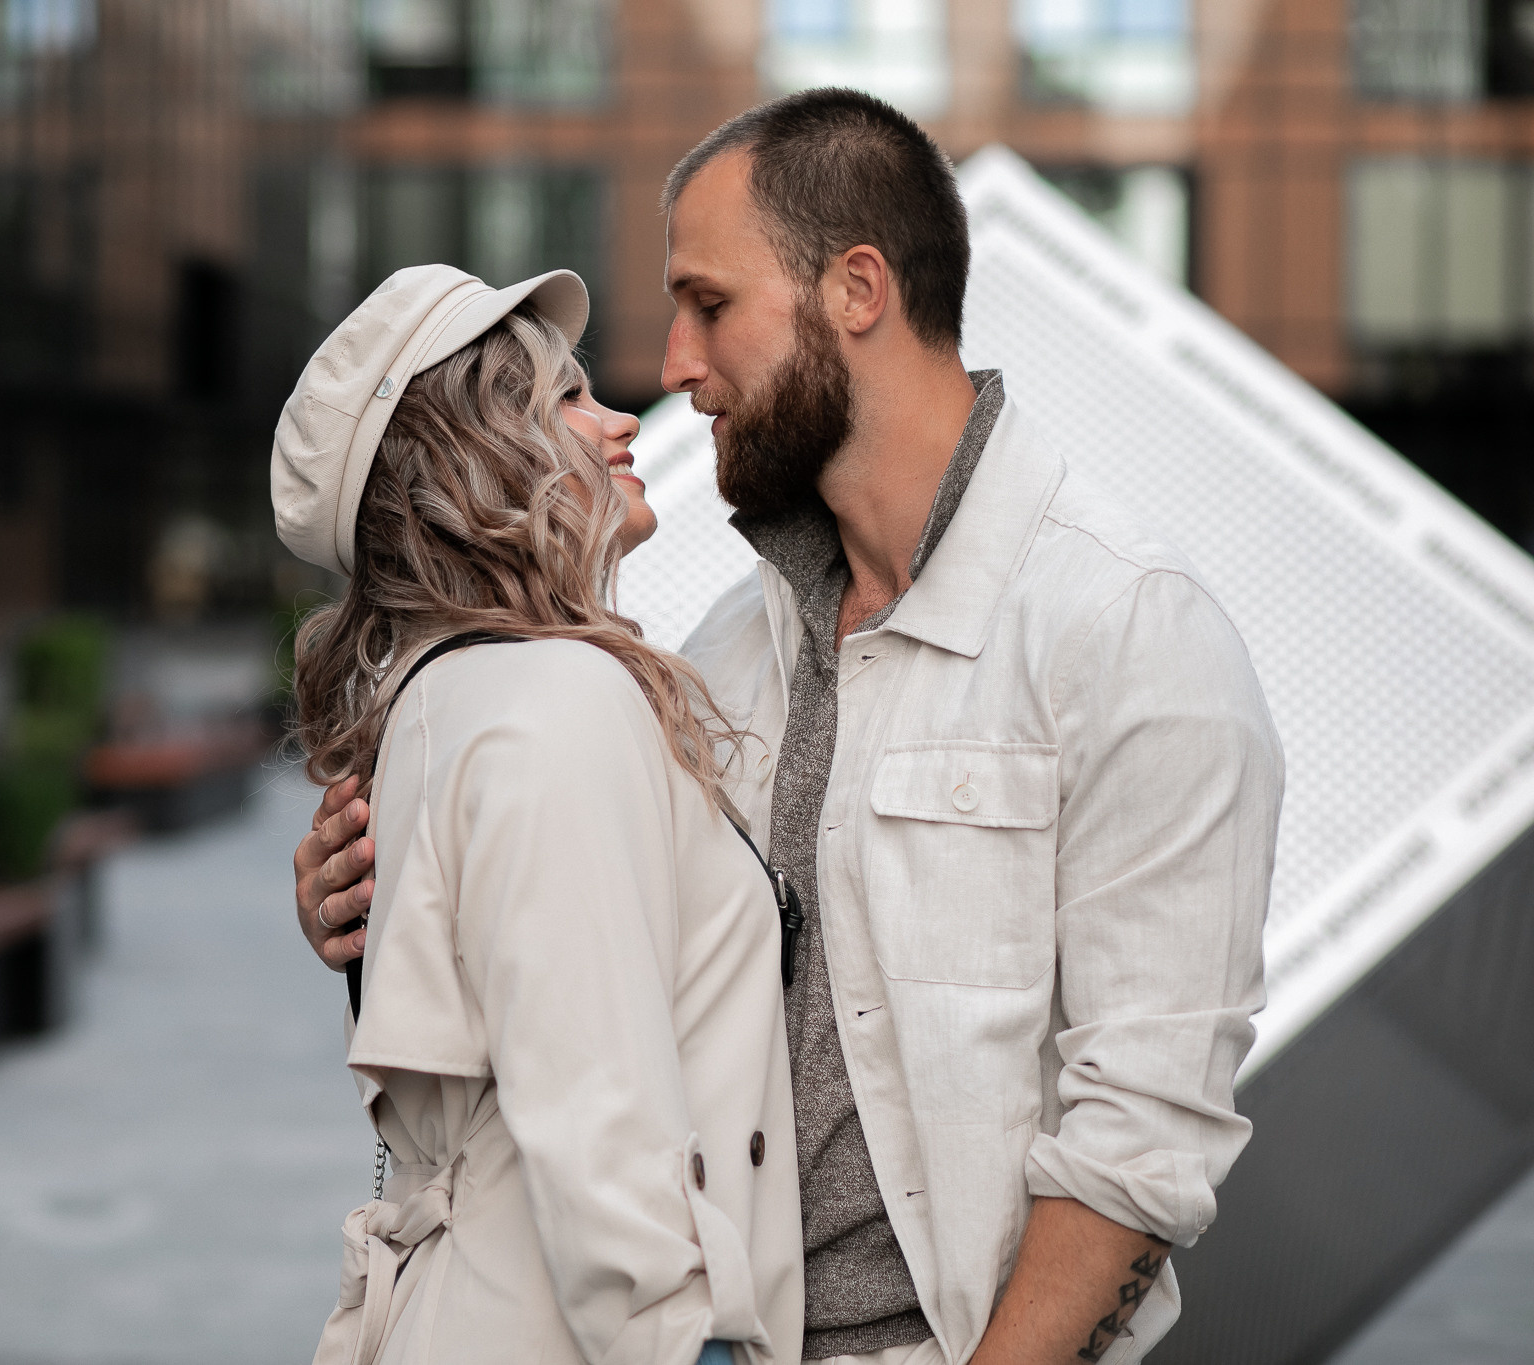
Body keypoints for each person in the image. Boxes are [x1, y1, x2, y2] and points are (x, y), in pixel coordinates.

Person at [294, 91, 1285, 1365]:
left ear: (854, 292)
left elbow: (1142, 1134)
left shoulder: (1129, 632)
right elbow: (582, 991)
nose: (674, 365)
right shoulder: (715, 650)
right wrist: (382, 917)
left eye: (709, 305)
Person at [274, 264, 804, 1365]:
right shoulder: (553, 698)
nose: (619, 420)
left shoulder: (439, 695)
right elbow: (595, 1114)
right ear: (472, 456)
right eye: (564, 397)